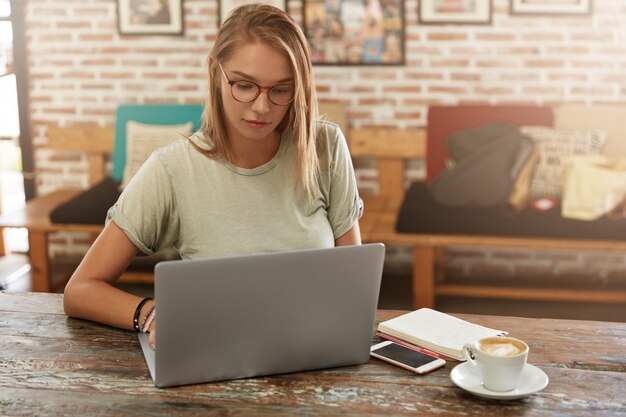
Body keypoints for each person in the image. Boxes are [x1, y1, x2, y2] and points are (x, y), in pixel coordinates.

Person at [63, 4, 363, 350]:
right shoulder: (172, 170)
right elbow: (80, 290)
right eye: (244, 85)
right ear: (214, 72)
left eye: (281, 89)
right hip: (218, 360)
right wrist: (151, 314)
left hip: (316, 354)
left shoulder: (324, 147)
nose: (262, 107)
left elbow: (351, 281)